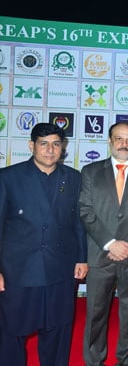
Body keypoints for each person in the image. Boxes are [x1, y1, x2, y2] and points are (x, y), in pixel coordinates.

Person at [0, 123, 88, 365]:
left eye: (56, 144)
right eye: (44, 144)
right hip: (19, 271)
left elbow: (78, 221)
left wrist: (82, 258)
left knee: (58, 329)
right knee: (12, 330)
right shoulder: (8, 177)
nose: (50, 150)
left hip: (60, 269)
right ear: (32, 145)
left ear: (63, 148)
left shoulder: (74, 178)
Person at [80, 121, 128, 366]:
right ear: (110, 140)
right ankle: (94, 361)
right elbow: (85, 210)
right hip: (100, 253)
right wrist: (110, 243)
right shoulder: (90, 171)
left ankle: (126, 361)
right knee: (95, 312)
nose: (124, 144)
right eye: (119, 138)